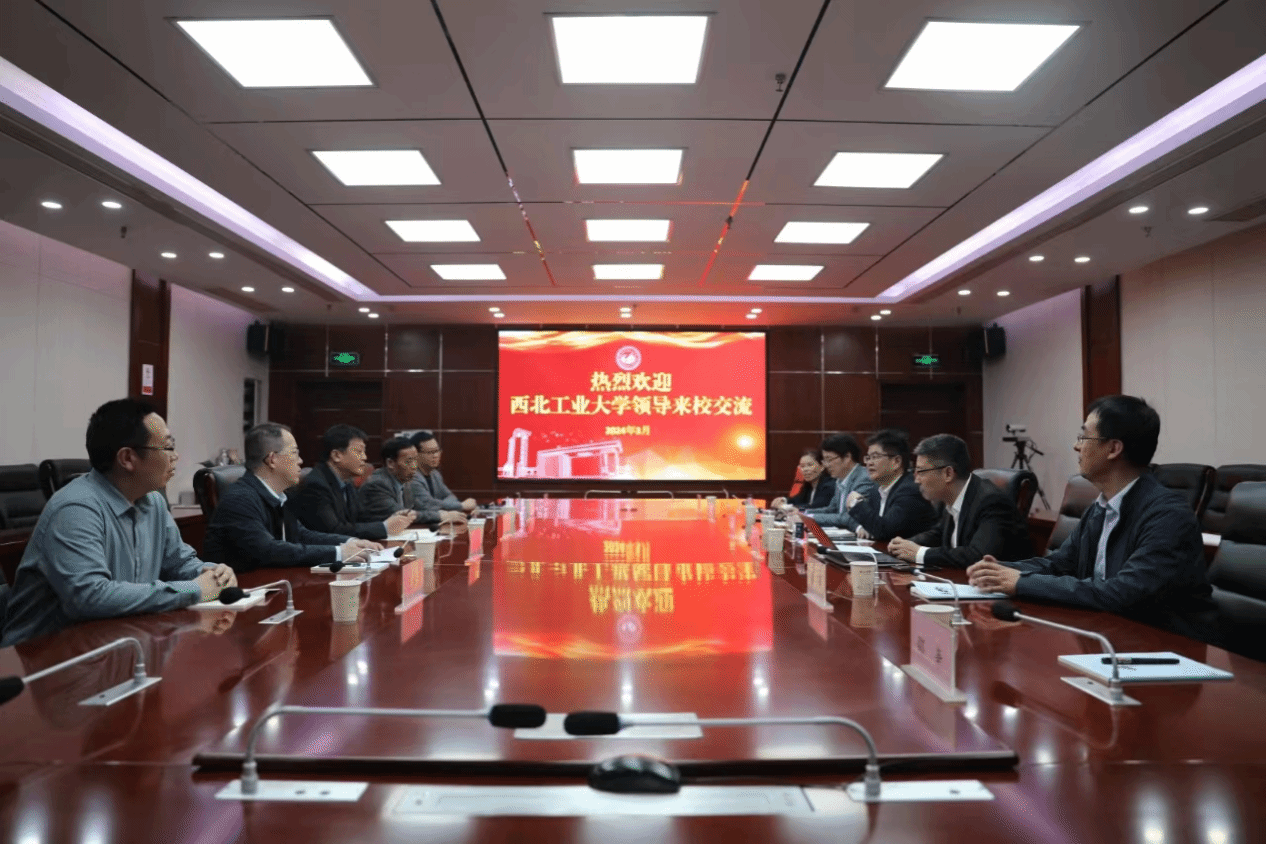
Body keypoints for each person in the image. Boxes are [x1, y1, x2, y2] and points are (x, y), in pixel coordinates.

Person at [967, 395, 1219, 643]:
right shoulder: (1100, 507)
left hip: (1168, 647)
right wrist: (1001, 571)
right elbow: (1059, 564)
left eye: (1084, 437)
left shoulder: (1167, 515)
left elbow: (1122, 592)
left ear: (1113, 449)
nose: (1076, 446)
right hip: (1110, 635)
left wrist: (1021, 583)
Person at [0, 399, 236, 647]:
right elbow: (90, 597)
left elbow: (179, 562)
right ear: (127, 458)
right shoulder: (76, 508)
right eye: (168, 447)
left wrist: (211, 574)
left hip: (116, 641)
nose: (175, 457)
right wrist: (193, 590)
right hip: (41, 655)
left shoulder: (153, 502)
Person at [203, 423, 382, 573]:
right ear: (272, 459)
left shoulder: (280, 495)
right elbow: (268, 550)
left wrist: (350, 542)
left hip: (274, 583)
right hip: (242, 592)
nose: (300, 460)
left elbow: (301, 535)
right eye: (294, 453)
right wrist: (339, 553)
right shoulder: (240, 499)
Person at [888, 434, 1031, 569]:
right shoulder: (951, 497)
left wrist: (920, 553)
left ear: (948, 474)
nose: (916, 480)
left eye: (921, 472)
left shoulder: (992, 502)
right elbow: (939, 533)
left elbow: (979, 556)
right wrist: (906, 544)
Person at [290, 424, 415, 539]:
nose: (365, 457)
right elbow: (333, 530)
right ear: (336, 455)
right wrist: (384, 527)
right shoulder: (316, 485)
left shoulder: (346, 481)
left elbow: (359, 519)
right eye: (359, 452)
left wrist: (393, 519)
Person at [846, 429, 938, 541]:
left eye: (875, 457)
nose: (869, 463)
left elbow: (885, 531)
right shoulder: (876, 489)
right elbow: (855, 519)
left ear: (896, 462)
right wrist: (860, 527)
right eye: (868, 458)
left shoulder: (909, 490)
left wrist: (856, 503)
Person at [799, 433, 878, 530]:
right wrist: (803, 513)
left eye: (829, 460)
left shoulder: (864, 479)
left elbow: (849, 517)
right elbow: (831, 510)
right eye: (824, 460)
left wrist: (809, 518)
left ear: (847, 457)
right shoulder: (840, 480)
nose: (826, 465)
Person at [359, 437, 436, 524]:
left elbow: (421, 506)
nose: (414, 466)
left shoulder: (405, 481)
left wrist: (444, 514)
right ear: (390, 463)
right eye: (408, 462)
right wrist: (439, 516)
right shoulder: (377, 484)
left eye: (416, 460)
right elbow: (402, 514)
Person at [409, 431, 476, 525]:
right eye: (430, 452)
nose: (435, 455)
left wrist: (441, 506)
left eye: (437, 451)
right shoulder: (410, 476)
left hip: (433, 524)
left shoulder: (435, 474)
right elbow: (427, 505)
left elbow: (450, 496)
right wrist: (461, 505)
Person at [771, 449, 836, 510]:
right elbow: (797, 500)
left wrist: (785, 507)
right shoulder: (808, 485)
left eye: (810, 465)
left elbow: (815, 507)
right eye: (802, 466)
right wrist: (783, 500)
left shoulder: (829, 484)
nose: (805, 469)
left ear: (822, 466)